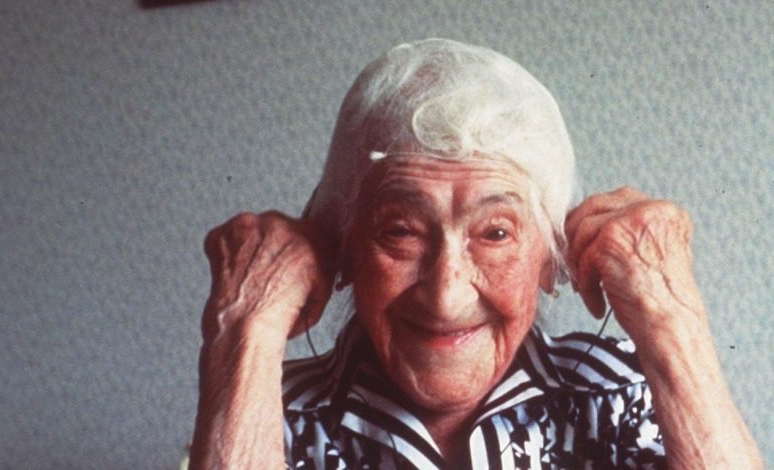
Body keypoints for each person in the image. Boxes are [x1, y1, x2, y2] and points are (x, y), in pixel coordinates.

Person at [188, 39, 762, 469]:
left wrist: (671, 321)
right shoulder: (267, 410)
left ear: (550, 257)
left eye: (495, 234)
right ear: (344, 244)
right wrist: (245, 329)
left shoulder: (622, 392)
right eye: (401, 231)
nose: (446, 293)